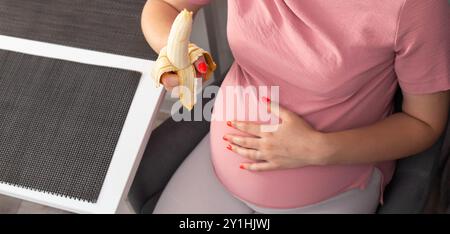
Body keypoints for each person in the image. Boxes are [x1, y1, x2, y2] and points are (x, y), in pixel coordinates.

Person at [142, 0, 450, 213]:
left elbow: (423, 123)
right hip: (217, 170)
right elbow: (164, 6)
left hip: (331, 191)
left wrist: (319, 149)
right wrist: (177, 52)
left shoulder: (416, 7)